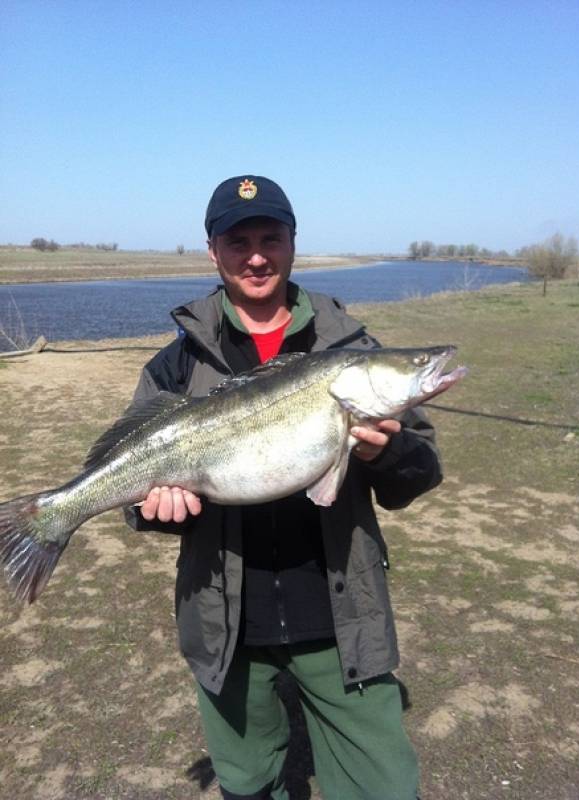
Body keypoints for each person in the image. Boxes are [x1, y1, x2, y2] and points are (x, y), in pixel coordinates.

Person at [125, 175, 442, 800]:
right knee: (246, 783)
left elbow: (420, 472)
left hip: (340, 611)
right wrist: (161, 511)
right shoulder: (175, 365)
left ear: (294, 243)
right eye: (238, 241)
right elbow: (140, 510)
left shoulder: (349, 348)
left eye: (271, 237)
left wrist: (389, 451)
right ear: (213, 251)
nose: (257, 256)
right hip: (226, 621)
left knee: (385, 786)